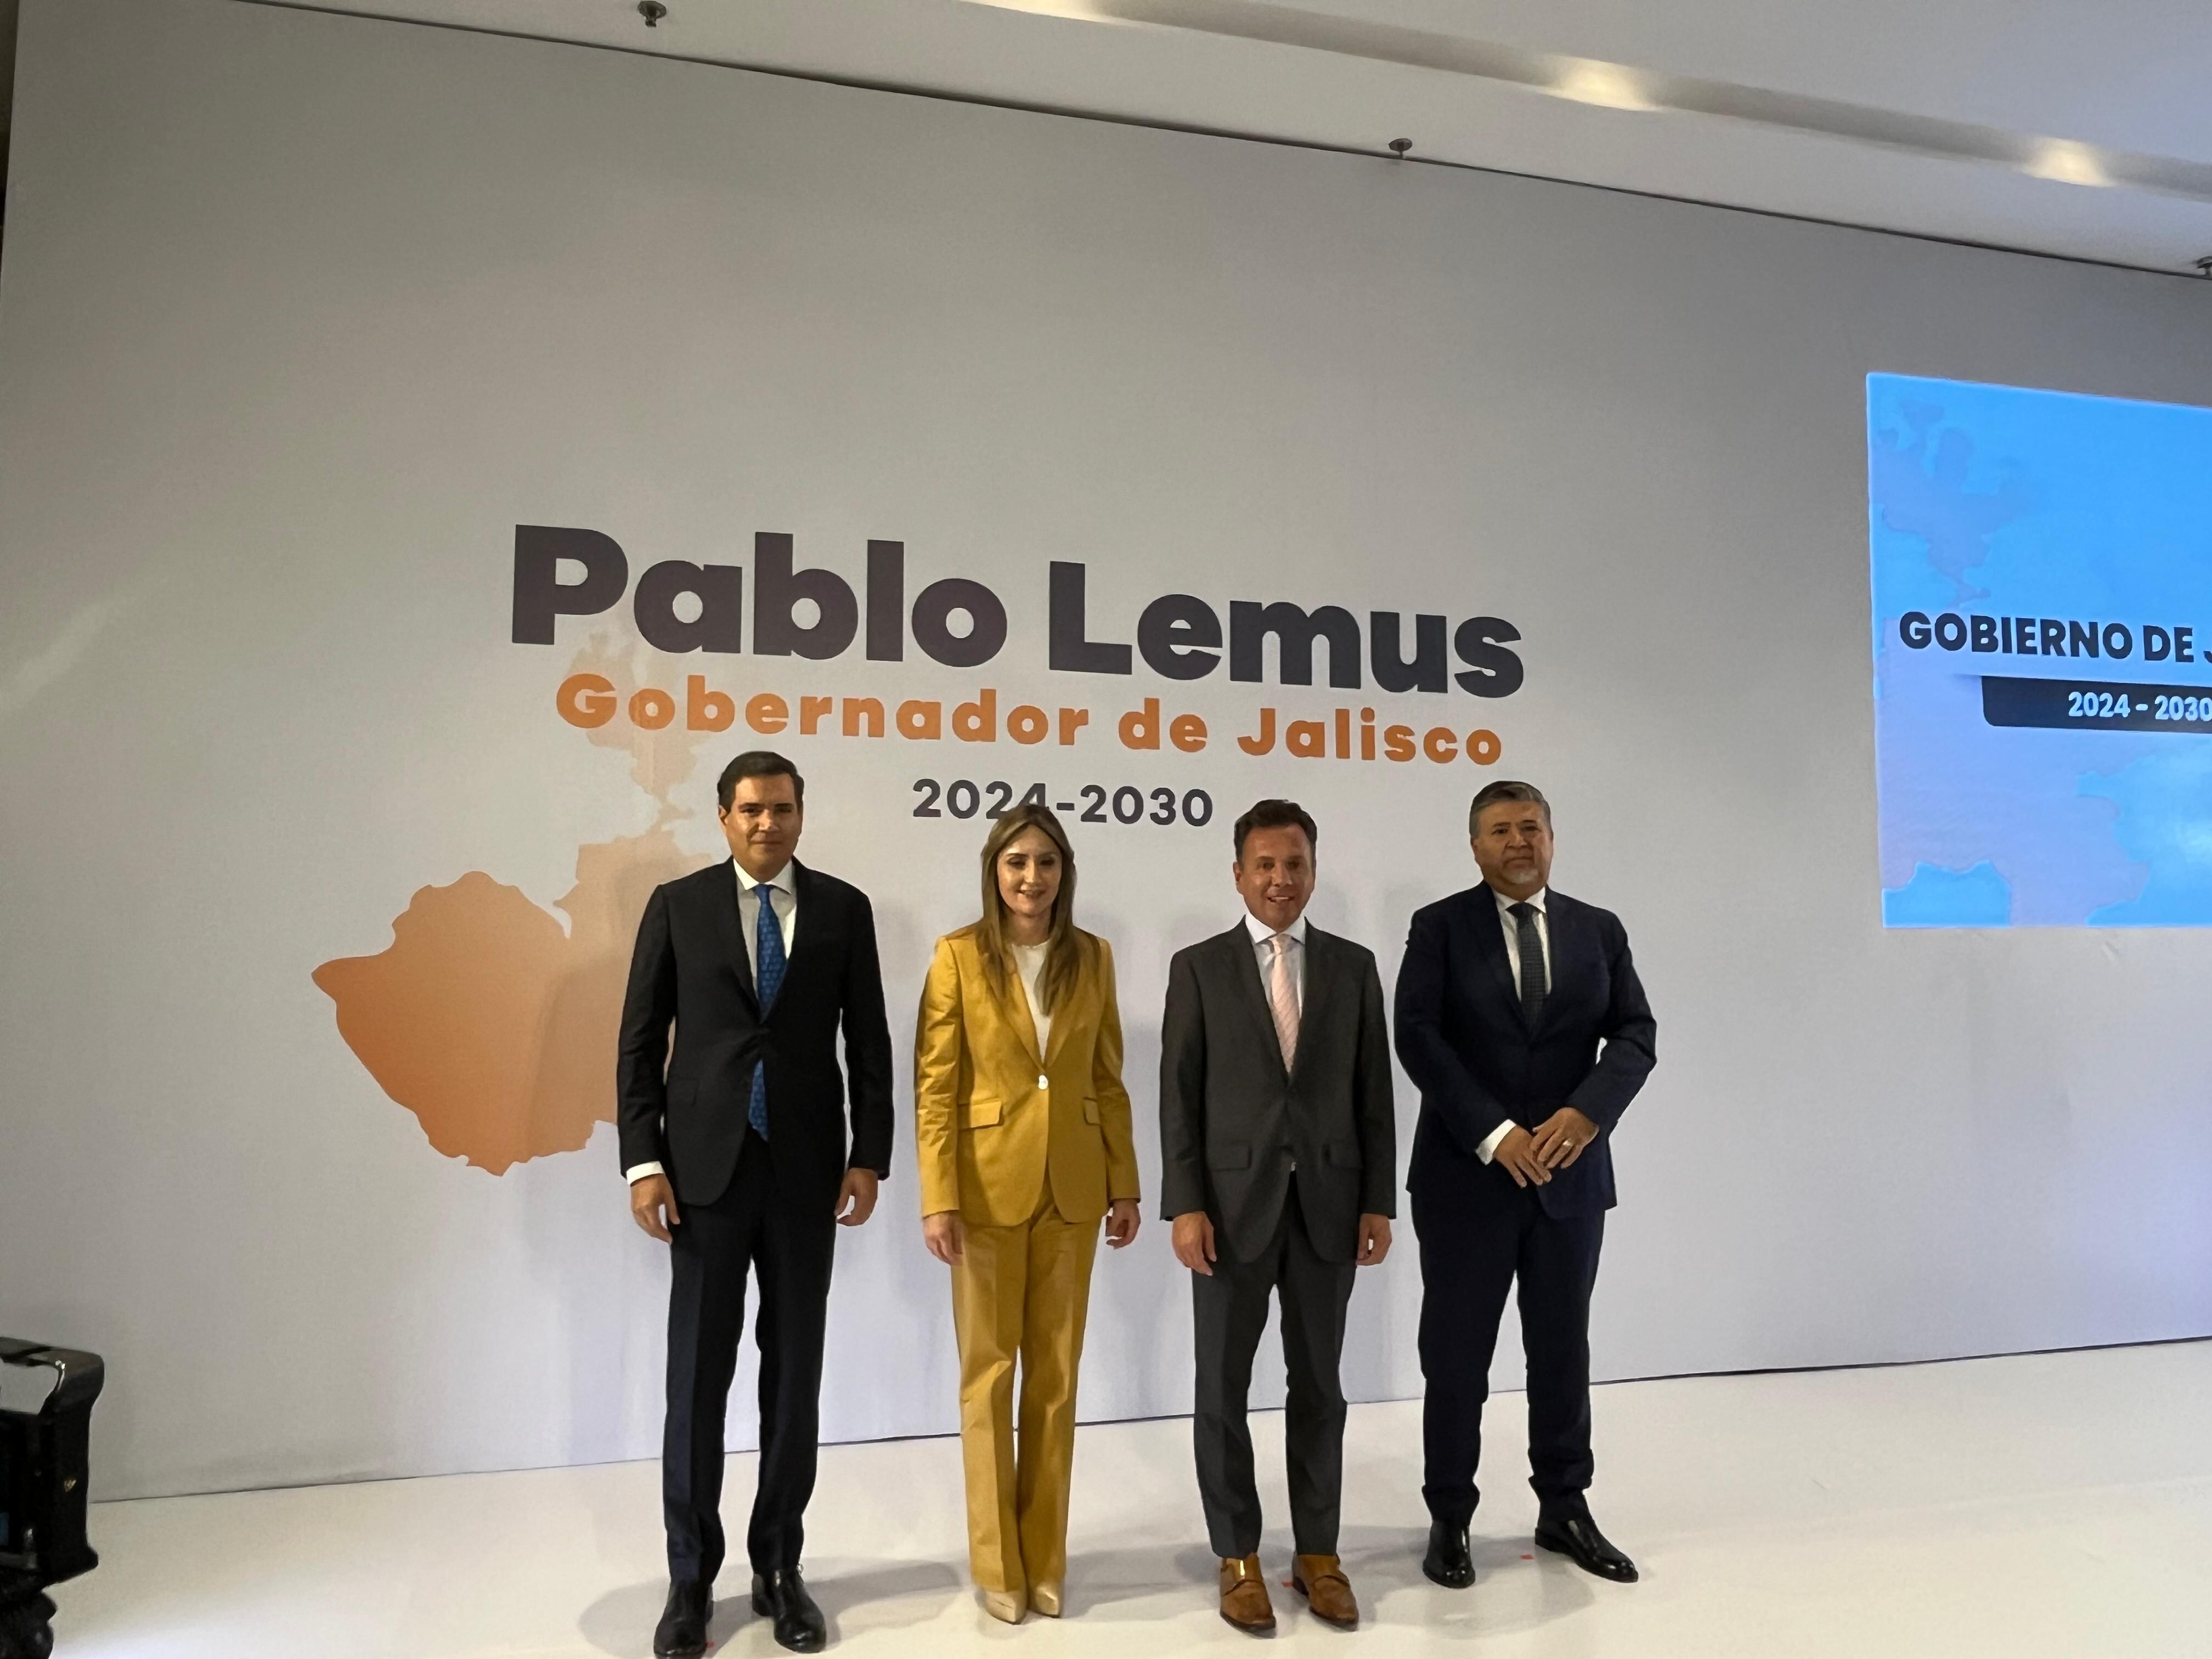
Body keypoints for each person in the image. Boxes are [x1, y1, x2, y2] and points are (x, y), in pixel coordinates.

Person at [617, 752, 895, 1657]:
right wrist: (642, 1162)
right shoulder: (679, 906)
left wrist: (870, 1156)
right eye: (750, 810)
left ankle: (780, 1567)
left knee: (794, 1373)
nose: (766, 824)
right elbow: (639, 1043)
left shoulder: (845, 910)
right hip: (704, 1175)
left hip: (807, 1173)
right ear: (724, 818)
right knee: (697, 1381)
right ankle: (690, 1580)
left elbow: (870, 1041)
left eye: (781, 808)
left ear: (801, 814)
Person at [1394, 780, 1656, 1592]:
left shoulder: (1598, 930)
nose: (1519, 842)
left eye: (1531, 827)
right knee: (1456, 1358)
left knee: (1562, 1351)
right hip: (1467, 1182)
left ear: (1552, 837)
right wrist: (1494, 1132)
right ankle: (1450, 1515)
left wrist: (1588, 1112)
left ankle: (1565, 1508)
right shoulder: (1439, 928)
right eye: (1501, 830)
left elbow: (1636, 1033)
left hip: (1569, 1181)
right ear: (1476, 847)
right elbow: (1418, 1037)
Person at [1158, 799, 1396, 1634]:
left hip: (1329, 1206)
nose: (1280, 879)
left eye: (1295, 864)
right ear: (1238, 874)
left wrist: (1378, 1199)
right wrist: (1185, 1204)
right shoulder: (1198, 968)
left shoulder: (1354, 968)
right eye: (1264, 864)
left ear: (1313, 872)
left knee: (1321, 1387)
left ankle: (1319, 1556)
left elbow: (1374, 1094)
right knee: (1222, 1390)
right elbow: (1178, 1095)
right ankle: (1237, 1557)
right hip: (1228, 1213)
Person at [913, 804, 1142, 1625]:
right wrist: (938, 1196)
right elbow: (936, 1086)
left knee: (1056, 1382)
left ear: (1063, 873)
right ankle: (996, 1565)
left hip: (1074, 1190)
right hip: (984, 1190)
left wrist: (1125, 1182)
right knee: (988, 1379)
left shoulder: (1094, 957)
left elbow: (1107, 1077)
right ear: (995, 871)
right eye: (1017, 862)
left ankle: (1045, 1559)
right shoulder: (957, 956)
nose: (1032, 877)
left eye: (1046, 862)